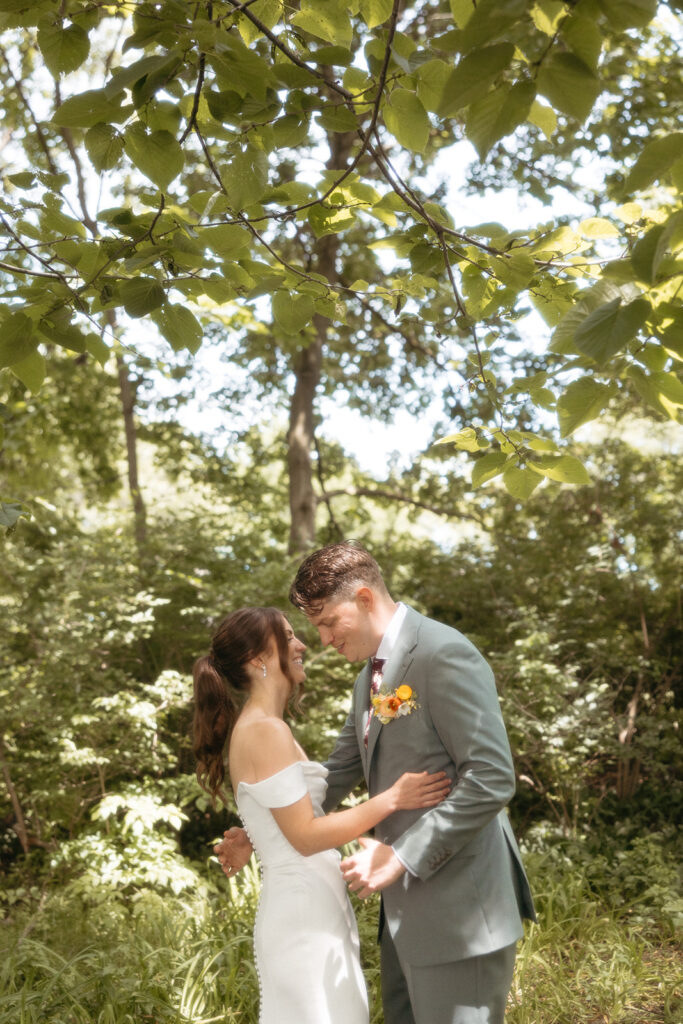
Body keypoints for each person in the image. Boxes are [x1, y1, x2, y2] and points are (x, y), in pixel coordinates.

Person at [216, 543, 536, 1024]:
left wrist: (401, 854)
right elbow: (337, 774)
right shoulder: (369, 677)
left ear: (364, 598)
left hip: (460, 914)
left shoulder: (442, 652)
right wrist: (262, 827)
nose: (322, 640)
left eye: (328, 622)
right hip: (404, 920)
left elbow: (492, 777)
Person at [193, 605, 450, 1024]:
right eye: (289, 636)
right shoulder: (264, 730)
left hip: (313, 907)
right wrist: (392, 799)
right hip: (301, 918)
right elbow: (305, 836)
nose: (301, 645)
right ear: (259, 658)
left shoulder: (268, 726)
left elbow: (287, 817)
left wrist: (252, 834)